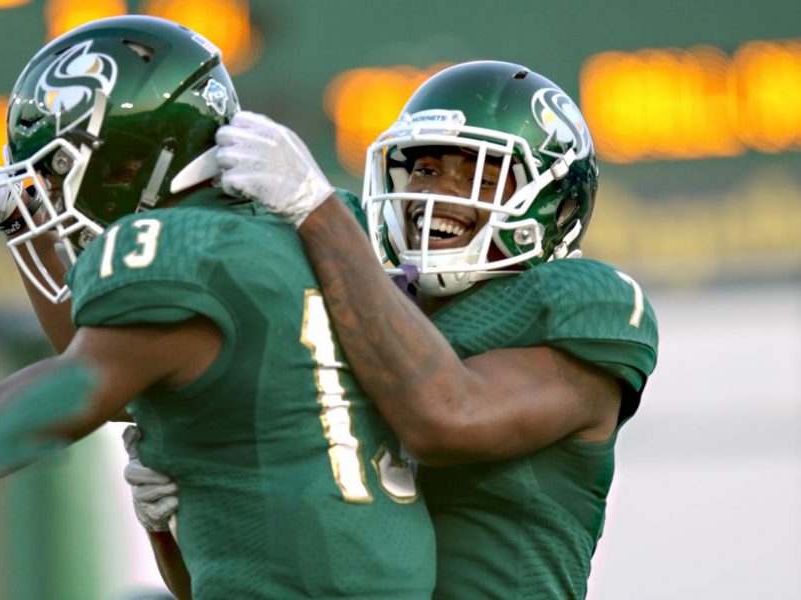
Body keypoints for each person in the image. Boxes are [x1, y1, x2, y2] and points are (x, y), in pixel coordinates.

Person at [0, 15, 436, 599]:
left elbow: (32, 403)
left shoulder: (177, 254)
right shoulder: (300, 233)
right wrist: (18, 215)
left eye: (55, 172)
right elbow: (117, 363)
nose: (48, 195)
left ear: (133, 160)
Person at [213, 61, 660, 599]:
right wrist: (181, 509)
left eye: (481, 176)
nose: (437, 194)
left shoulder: (575, 306)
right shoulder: (357, 305)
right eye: (425, 170)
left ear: (556, 208)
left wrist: (317, 212)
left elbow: (445, 416)